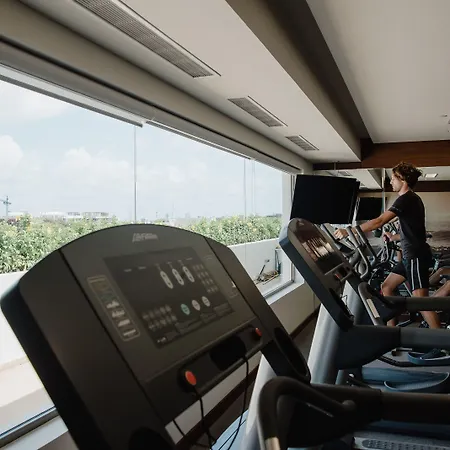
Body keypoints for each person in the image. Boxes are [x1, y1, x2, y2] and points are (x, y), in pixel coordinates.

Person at [335, 162, 440, 329]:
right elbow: (412, 231)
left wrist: (349, 231)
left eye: (393, 178)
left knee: (421, 300)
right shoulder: (411, 199)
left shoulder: (406, 199)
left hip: (415, 256)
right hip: (409, 256)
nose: (391, 182)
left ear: (402, 179)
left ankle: (442, 340)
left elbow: (379, 221)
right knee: (386, 287)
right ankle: (391, 331)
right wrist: (393, 237)